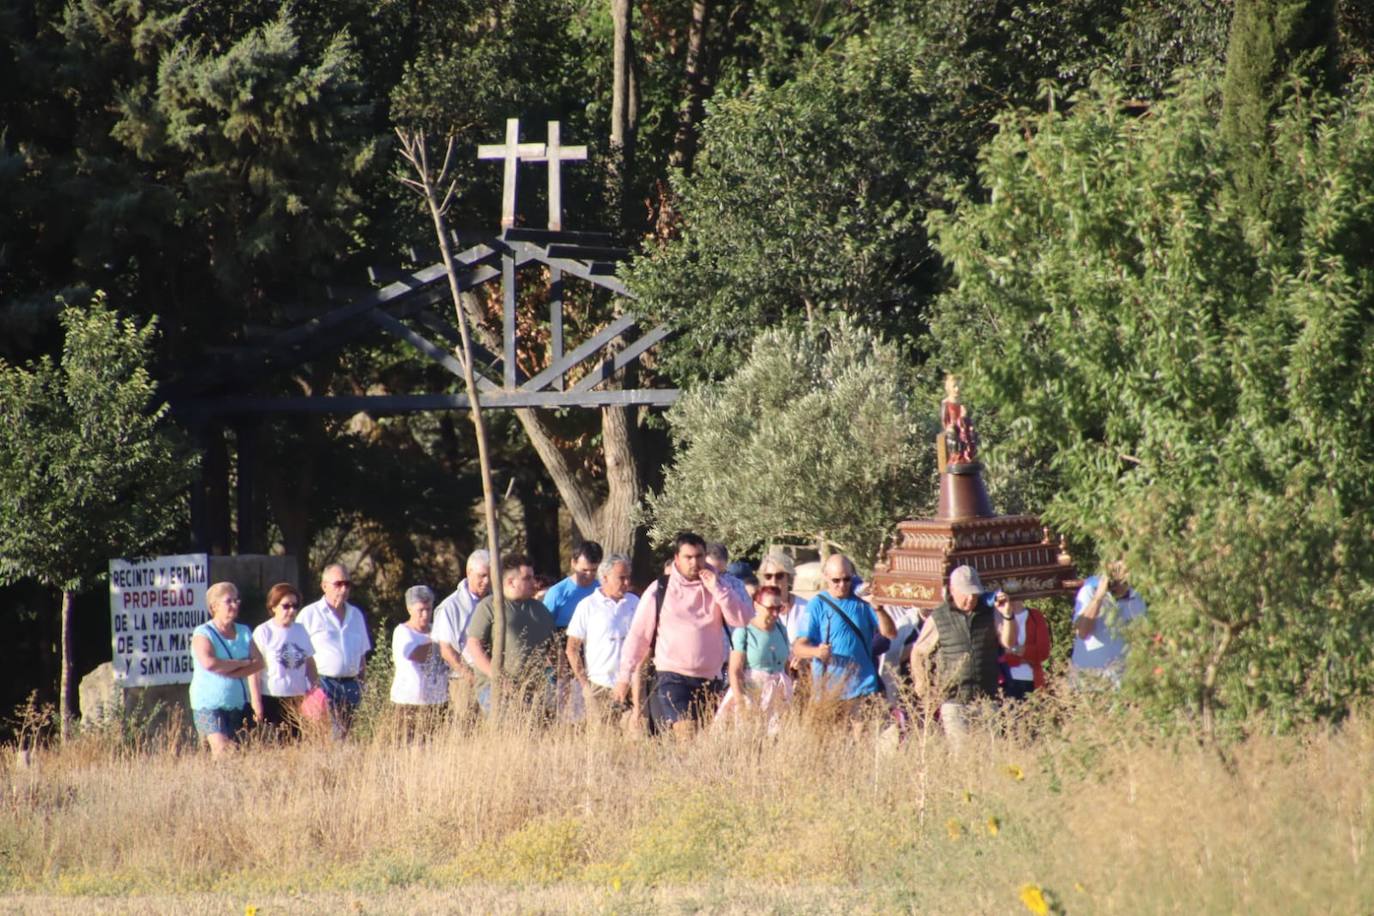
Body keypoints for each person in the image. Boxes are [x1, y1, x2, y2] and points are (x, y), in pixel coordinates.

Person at [613, 532, 753, 735]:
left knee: (699, 739)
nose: (694, 563)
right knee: (686, 732)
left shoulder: (719, 586)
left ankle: (681, 766)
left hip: (710, 678)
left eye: (699, 556)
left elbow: (741, 619)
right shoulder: (660, 589)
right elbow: (638, 637)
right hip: (672, 675)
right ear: (677, 558)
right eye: (688, 557)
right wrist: (624, 677)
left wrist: (717, 588)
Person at [910, 565, 1016, 743]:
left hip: (987, 696)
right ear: (952, 590)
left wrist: (1007, 615)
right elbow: (919, 652)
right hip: (954, 700)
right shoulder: (939, 617)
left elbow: (1009, 642)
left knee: (991, 753)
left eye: (974, 594)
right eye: (965, 593)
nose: (970, 598)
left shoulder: (990, 612)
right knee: (962, 753)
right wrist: (921, 683)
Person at [792, 554, 897, 723]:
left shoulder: (863, 604)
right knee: (832, 745)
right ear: (826, 577)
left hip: (863, 687)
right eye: (836, 580)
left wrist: (879, 610)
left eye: (847, 579)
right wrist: (817, 652)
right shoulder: (816, 605)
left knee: (862, 744)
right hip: (829, 691)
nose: (842, 585)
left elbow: (890, 634)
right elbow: (798, 647)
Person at [465, 555, 558, 715]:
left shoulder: (540, 610)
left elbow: (553, 648)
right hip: (495, 690)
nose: (533, 582)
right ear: (510, 582)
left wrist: (556, 679)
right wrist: (498, 678)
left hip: (533, 691)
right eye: (527, 578)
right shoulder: (490, 606)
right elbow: (474, 646)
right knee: (507, 730)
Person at [190, 582, 264, 756]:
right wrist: (241, 663)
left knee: (240, 752)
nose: (234, 605)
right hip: (206, 705)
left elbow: (259, 663)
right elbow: (209, 663)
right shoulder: (203, 633)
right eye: (228, 601)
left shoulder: (244, 631)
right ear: (214, 606)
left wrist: (230, 669)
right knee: (223, 749)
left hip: (237, 703)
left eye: (236, 600)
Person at [565, 553, 638, 723]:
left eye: (628, 577)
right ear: (605, 578)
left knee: (635, 741)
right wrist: (585, 686)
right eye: (621, 578)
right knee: (602, 741)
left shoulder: (635, 602)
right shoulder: (587, 606)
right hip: (600, 686)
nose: (627, 583)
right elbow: (572, 649)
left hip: (632, 685)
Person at [299, 563, 372, 734]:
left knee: (347, 734)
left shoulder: (356, 615)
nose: (344, 588)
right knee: (326, 735)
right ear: (324, 586)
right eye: (338, 584)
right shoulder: (309, 615)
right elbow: (299, 653)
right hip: (323, 683)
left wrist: (363, 684)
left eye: (347, 584)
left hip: (351, 684)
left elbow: (361, 654)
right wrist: (310, 686)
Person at [716, 585, 793, 732]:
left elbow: (785, 665)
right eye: (770, 608)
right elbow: (735, 670)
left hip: (777, 697)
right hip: (751, 694)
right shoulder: (743, 631)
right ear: (756, 606)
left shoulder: (781, 629)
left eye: (779, 608)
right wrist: (741, 703)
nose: (775, 614)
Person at [251, 582, 318, 740]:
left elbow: (309, 663)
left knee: (297, 743)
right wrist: (256, 702)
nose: (291, 611)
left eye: (295, 606)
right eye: (286, 606)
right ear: (273, 607)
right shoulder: (263, 632)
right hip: (272, 697)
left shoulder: (300, 630)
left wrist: (315, 690)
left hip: (298, 697)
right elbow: (254, 671)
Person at [543, 541, 603, 718]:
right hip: (564, 654)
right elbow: (546, 628)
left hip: (595, 651)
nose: (589, 575)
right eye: (584, 570)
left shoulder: (600, 589)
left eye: (593, 570)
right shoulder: (557, 592)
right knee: (569, 708)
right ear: (573, 563)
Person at [431, 550, 492, 713]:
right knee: (466, 728)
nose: (486, 581)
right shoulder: (451, 606)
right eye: (482, 575)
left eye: (490, 576)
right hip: (463, 680)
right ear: (469, 572)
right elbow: (447, 650)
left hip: (491, 677)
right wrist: (471, 678)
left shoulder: (496, 602)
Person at [1070, 561, 1146, 688]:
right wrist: (1098, 597)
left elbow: (1144, 636)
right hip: (1091, 680)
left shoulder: (1136, 597)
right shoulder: (1089, 591)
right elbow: (1082, 632)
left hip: (1123, 682)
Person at [390, 585, 449, 738]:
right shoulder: (402, 632)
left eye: (428, 609)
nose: (425, 615)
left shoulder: (437, 630)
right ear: (410, 609)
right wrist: (442, 645)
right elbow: (415, 654)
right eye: (420, 610)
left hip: (437, 703)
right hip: (409, 704)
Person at [994, 580, 1051, 700]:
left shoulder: (1035, 616)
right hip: (1006, 681)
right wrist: (1024, 654)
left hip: (1032, 679)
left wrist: (1013, 650)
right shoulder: (998, 616)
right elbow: (997, 652)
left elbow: (1043, 651)